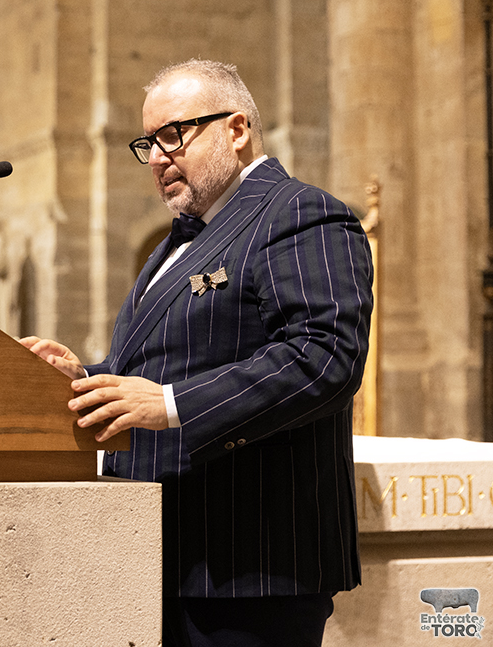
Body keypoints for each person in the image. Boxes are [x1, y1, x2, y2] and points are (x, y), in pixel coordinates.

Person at [21, 59, 373, 647]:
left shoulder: (298, 213)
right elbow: (165, 369)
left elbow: (325, 357)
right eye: (147, 143)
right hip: (163, 553)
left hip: (251, 565)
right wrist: (88, 376)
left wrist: (168, 403)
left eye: (172, 135)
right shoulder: (177, 244)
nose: (157, 157)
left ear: (236, 130)